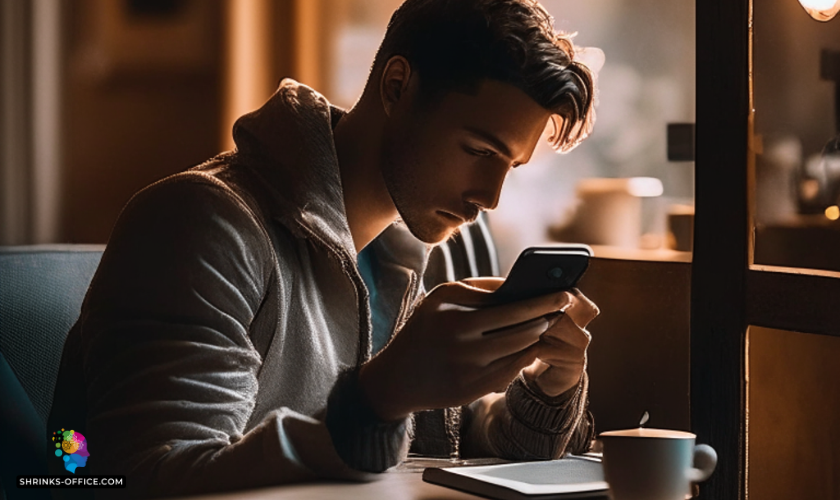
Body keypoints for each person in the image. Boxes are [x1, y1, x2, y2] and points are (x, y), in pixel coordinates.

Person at [48, 0, 599, 498]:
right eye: (479, 150)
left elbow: (446, 440)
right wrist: (377, 398)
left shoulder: (416, 246)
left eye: (511, 167)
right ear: (397, 87)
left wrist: (548, 389)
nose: (490, 197)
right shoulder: (201, 222)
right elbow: (147, 478)